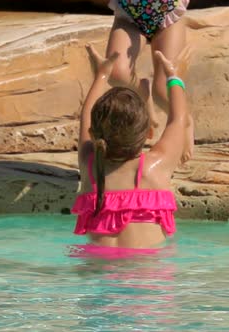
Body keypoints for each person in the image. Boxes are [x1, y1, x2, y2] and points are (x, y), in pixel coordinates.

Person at [71, 43, 193, 249]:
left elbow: (86, 116)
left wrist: (101, 75)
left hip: (96, 273)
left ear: (94, 134)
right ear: (149, 133)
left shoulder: (90, 165)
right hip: (145, 277)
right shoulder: (155, 167)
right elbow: (178, 120)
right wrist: (174, 77)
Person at [104, 0, 194, 162]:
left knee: (162, 91)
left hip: (168, 13)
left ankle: (185, 122)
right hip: (129, 15)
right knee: (116, 73)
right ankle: (141, 90)